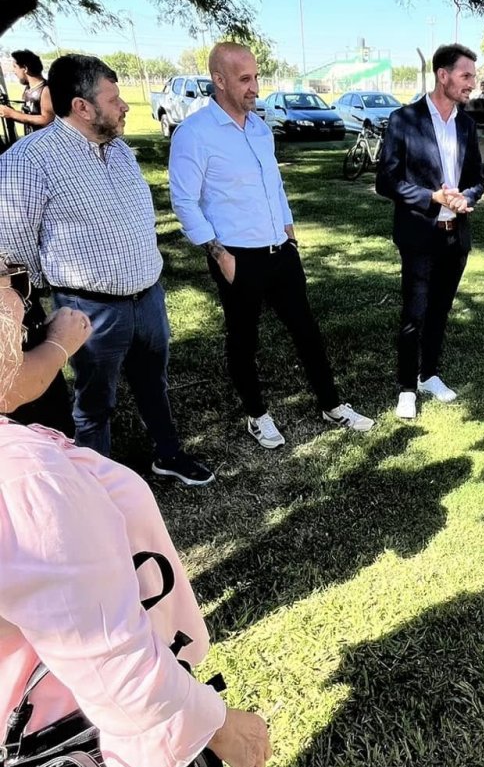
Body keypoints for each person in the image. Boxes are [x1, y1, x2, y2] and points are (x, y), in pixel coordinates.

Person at [0, 269, 343, 767]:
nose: (22, 295)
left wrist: (54, 344)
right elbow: (125, 682)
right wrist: (223, 726)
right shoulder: (21, 484)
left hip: (25, 757)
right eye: (10, 281)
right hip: (90, 732)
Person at [0, 54, 213, 485]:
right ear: (82, 106)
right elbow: (13, 244)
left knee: (155, 383)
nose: (125, 106)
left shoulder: (119, 151)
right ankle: (93, 482)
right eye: (114, 98)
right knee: (94, 400)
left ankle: (167, 455)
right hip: (89, 307)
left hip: (148, 296)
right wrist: (44, 296)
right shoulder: (30, 159)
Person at [169, 42, 372, 449]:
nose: (255, 87)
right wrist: (219, 254)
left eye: (256, 77)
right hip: (236, 258)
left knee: (308, 332)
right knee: (243, 341)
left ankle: (332, 404)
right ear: (219, 80)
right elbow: (184, 200)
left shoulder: (260, 129)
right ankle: (256, 415)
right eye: (245, 79)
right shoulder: (195, 133)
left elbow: (274, 187)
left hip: (281, 252)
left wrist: (290, 233)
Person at [376, 43, 484, 420]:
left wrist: (465, 197)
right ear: (443, 75)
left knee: (440, 310)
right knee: (415, 313)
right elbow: (386, 181)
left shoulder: (467, 125)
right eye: (466, 75)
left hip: (456, 234)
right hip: (420, 235)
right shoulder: (403, 119)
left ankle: (429, 374)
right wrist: (431, 197)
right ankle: (407, 387)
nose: (473, 82)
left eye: (473, 75)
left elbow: (476, 179)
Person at [0, 49, 52, 133]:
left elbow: (47, 120)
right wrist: (9, 113)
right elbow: (30, 116)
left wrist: (13, 114)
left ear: (25, 68)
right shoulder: (29, 89)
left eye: (15, 67)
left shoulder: (46, 90)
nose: (14, 71)